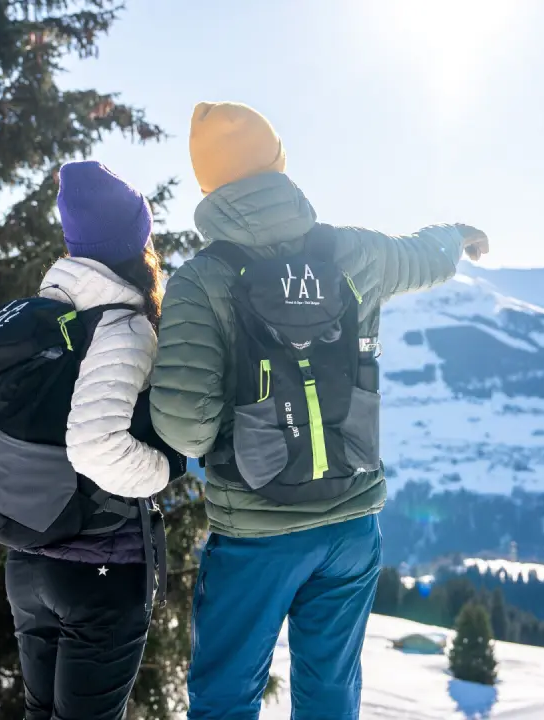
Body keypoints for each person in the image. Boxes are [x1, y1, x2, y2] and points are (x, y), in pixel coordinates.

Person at [150, 102, 489, 719]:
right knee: (329, 691)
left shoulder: (202, 279)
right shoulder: (351, 251)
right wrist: (457, 235)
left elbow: (186, 425)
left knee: (226, 695)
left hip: (254, 528)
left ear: (208, 187)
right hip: (352, 520)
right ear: (280, 165)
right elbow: (424, 256)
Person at [5, 160, 184, 720]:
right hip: (97, 569)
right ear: (135, 238)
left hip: (29, 561)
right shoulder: (121, 325)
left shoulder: (42, 315)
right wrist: (166, 469)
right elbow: (94, 447)